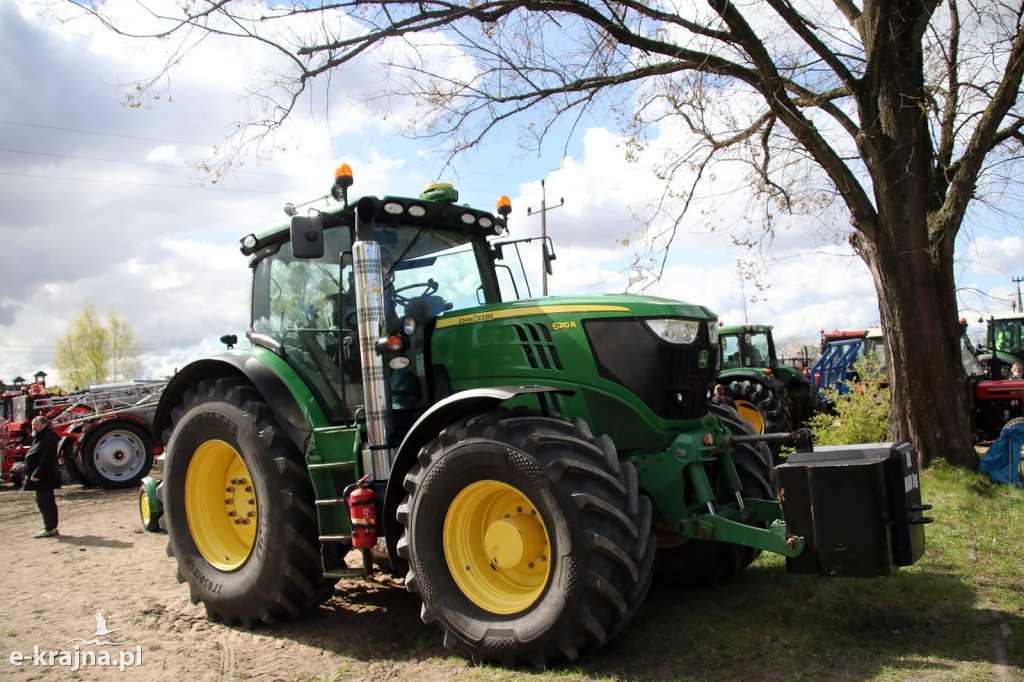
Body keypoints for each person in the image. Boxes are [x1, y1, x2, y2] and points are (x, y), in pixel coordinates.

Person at [23, 415, 61, 538]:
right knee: (48, 501)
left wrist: (37, 473)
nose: (34, 427)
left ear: (44, 425)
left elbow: (46, 459)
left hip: (45, 476)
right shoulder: (40, 437)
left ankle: (49, 528)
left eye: (36, 424)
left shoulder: (47, 438)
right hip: (45, 475)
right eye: (33, 424)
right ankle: (52, 527)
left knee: (44, 501)